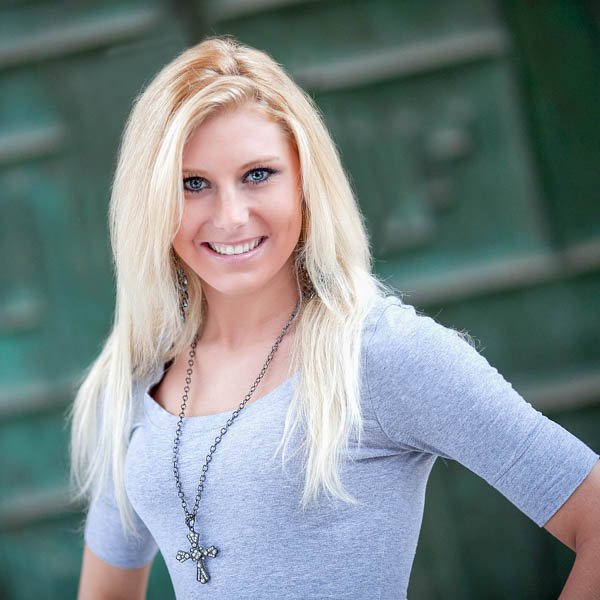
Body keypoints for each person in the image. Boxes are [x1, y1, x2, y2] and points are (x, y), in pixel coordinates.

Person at [70, 35, 600, 599]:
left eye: (257, 175)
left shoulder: (380, 352)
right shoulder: (136, 376)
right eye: (192, 184)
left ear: (304, 180)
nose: (230, 216)